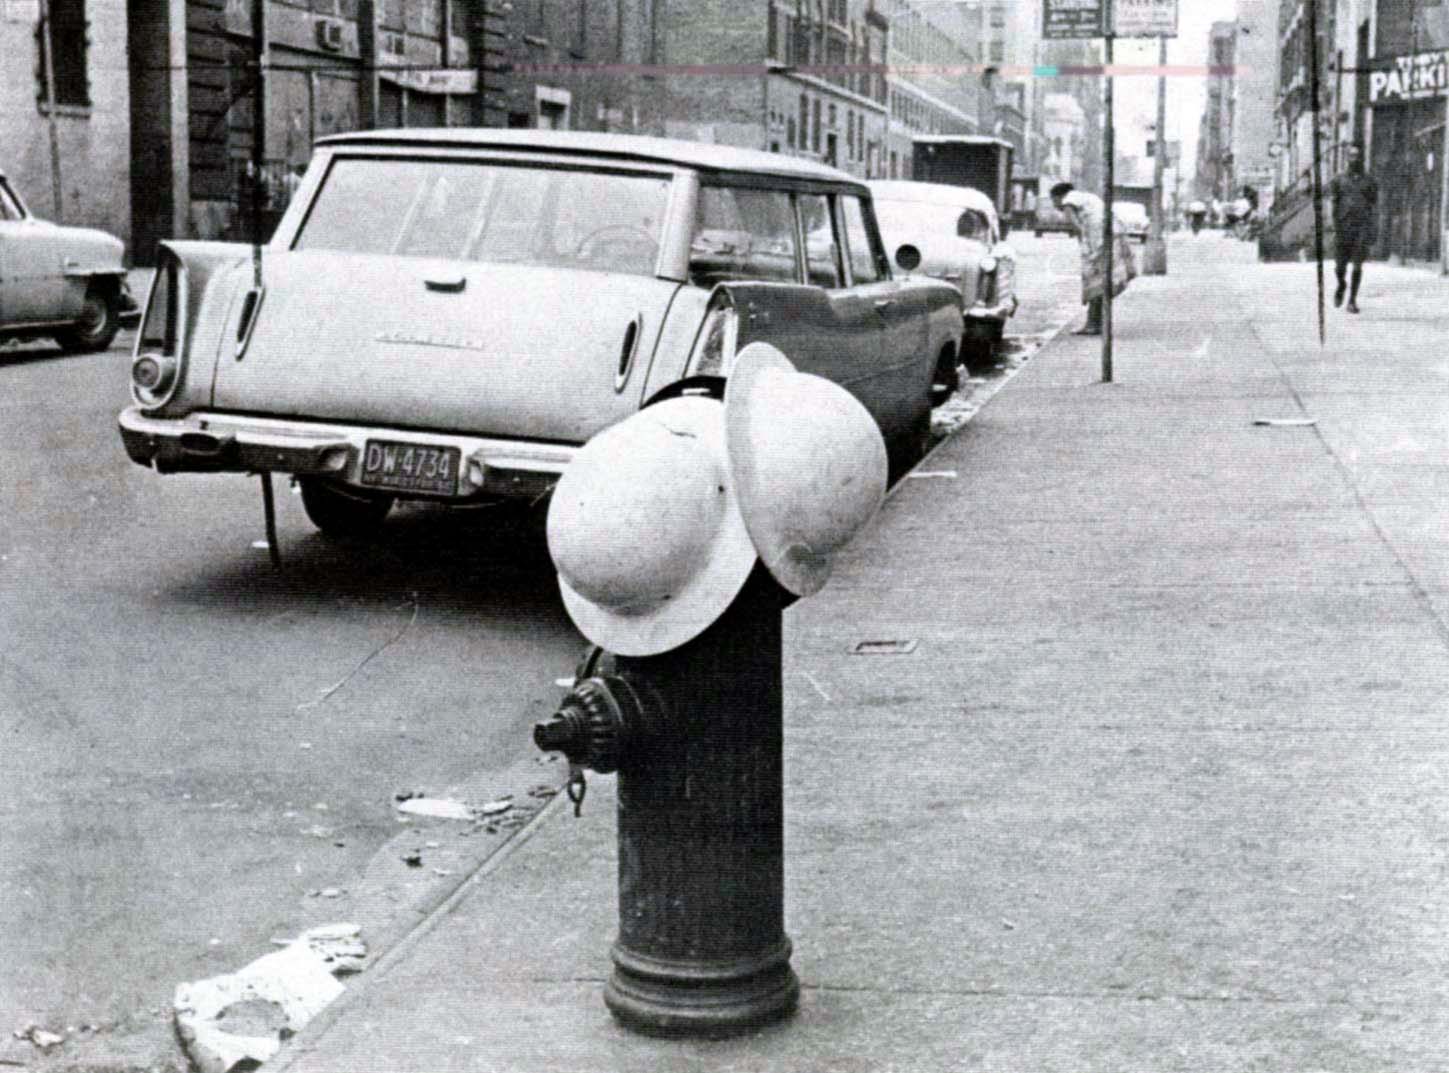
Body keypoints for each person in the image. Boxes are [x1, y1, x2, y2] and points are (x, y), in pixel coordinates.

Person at [1050, 180, 1132, 336]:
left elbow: (1072, 221)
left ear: (1058, 196)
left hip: (1098, 240)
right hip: (1113, 235)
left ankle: (1092, 324)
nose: (1055, 206)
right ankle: (1098, 322)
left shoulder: (1069, 199)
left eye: (1054, 201)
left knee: (1094, 282)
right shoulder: (1088, 198)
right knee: (1103, 282)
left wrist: (1084, 239)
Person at [1329, 144, 1378, 314]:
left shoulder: (1369, 181)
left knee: (1357, 266)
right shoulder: (1338, 180)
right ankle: (1341, 284)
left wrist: (1372, 228)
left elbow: (1373, 205)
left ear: (1361, 159)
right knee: (1339, 267)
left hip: (1361, 228)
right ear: (1346, 158)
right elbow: (1333, 204)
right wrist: (1334, 225)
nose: (1354, 159)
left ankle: (1352, 300)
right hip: (1343, 227)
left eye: (1357, 156)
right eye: (1351, 155)